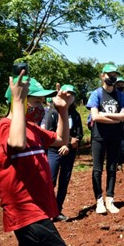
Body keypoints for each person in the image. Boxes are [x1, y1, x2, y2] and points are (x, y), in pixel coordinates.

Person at [0, 73, 74, 246]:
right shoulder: (4, 127)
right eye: (36, 101)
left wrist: (62, 111)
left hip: (37, 209)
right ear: (21, 100)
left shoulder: (33, 130)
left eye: (42, 102)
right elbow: (16, 144)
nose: (41, 107)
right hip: (24, 210)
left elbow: (61, 139)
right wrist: (18, 101)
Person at [87, 64, 124, 215]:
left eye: (114, 75)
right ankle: (99, 200)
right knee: (97, 169)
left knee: (112, 168)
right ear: (102, 75)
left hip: (115, 137)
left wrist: (106, 116)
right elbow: (95, 116)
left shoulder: (120, 95)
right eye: (109, 74)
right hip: (99, 137)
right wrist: (117, 119)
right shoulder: (96, 94)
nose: (112, 77)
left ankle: (110, 199)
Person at [43, 85, 83, 222]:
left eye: (72, 94)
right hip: (54, 152)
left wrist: (68, 144)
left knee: (64, 182)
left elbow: (79, 135)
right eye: (68, 94)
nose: (70, 97)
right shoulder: (53, 113)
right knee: (51, 181)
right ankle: (47, 211)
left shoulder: (76, 115)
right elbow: (50, 133)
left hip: (69, 153)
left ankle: (57, 211)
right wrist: (65, 142)